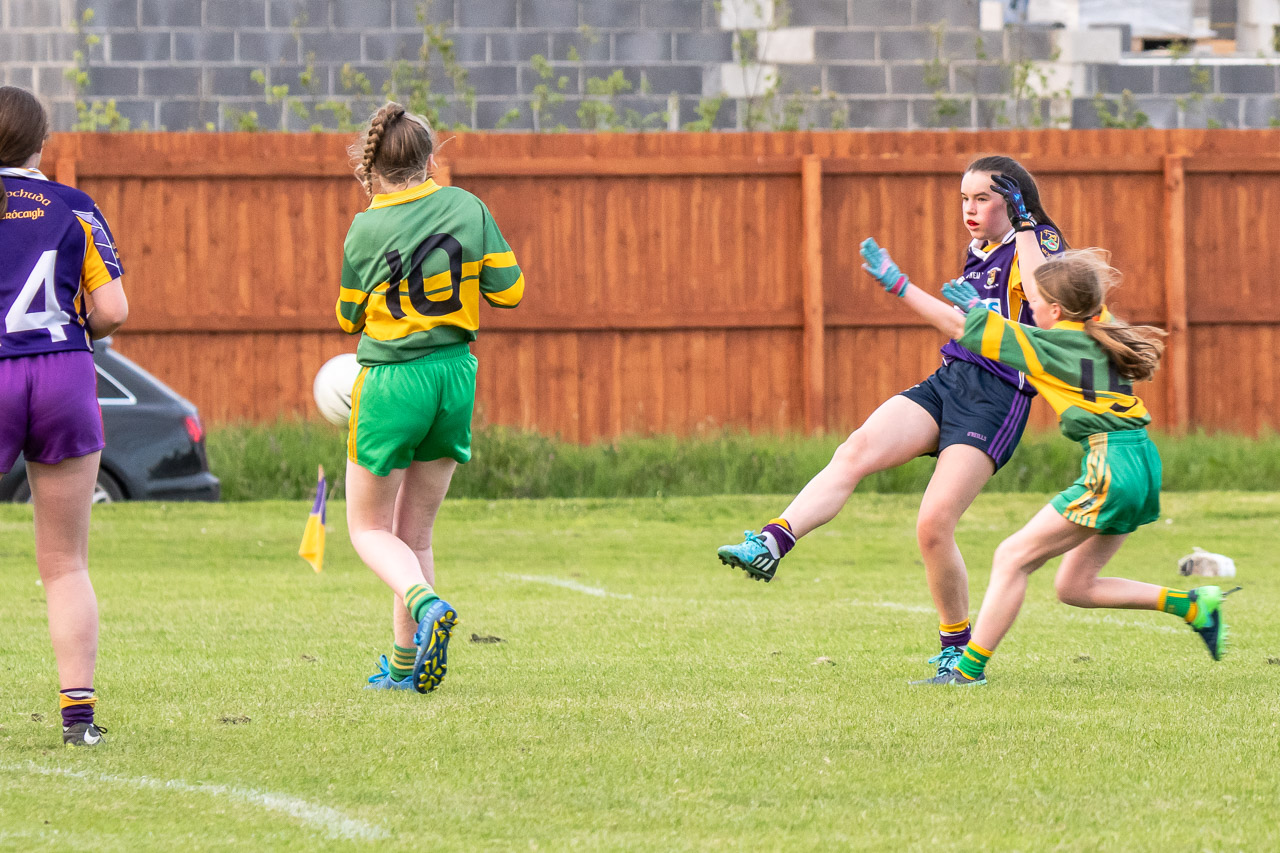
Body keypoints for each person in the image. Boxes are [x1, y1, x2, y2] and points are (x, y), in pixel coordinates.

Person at [717, 155, 1066, 678]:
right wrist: (906, 287)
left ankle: (958, 650)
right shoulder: (980, 251)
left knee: (932, 524)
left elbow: (1043, 301)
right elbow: (961, 329)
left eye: (983, 199)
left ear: (1013, 200)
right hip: (950, 380)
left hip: (997, 398)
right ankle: (771, 541)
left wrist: (1026, 225)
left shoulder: (1040, 242)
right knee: (854, 450)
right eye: (964, 199)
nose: (969, 210)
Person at [912, 248, 1235, 685]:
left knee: (1011, 557)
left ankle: (967, 672)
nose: (1031, 305)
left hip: (1110, 465)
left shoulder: (1046, 345)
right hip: (1142, 461)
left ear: (1056, 309)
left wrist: (899, 285)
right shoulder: (1099, 328)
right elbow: (1060, 306)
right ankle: (1194, 606)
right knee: (1075, 587)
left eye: (1035, 299)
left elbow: (961, 329)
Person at [338, 102, 524, 693]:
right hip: (454, 377)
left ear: (372, 166)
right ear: (430, 159)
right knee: (414, 531)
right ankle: (400, 666)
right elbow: (512, 291)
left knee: (368, 529)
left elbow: (347, 317)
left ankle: (425, 604)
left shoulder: (365, 227)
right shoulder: (466, 206)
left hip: (394, 381)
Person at [0, 86, 128, 746]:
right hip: (62, 372)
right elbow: (112, 310)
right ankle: (78, 718)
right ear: (40, 144)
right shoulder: (72, 205)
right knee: (65, 563)